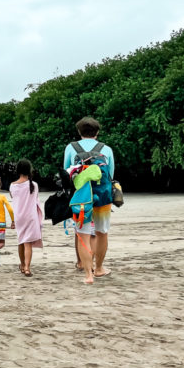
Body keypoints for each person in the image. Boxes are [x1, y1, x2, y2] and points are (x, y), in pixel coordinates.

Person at [64, 116, 115, 280]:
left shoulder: (71, 148)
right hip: (103, 196)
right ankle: (99, 268)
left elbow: (67, 172)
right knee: (102, 233)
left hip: (82, 197)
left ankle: (88, 274)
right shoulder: (106, 149)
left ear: (79, 132)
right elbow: (111, 174)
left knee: (83, 234)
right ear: (97, 132)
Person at [9, 159, 44, 277]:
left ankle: (22, 265)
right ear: (30, 170)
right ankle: (27, 268)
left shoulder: (12, 186)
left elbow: (13, 197)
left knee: (21, 241)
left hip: (19, 217)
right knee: (28, 243)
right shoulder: (34, 185)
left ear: (18, 171)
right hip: (31, 216)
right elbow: (36, 200)